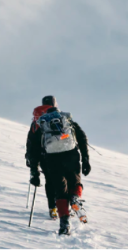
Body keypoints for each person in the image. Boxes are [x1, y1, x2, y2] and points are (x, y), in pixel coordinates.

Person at [26, 95, 90, 236]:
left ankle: (64, 223)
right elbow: (82, 137)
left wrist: (34, 172)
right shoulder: (66, 120)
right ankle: (74, 197)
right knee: (75, 181)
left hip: (51, 159)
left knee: (60, 191)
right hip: (71, 155)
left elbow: (33, 150)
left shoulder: (40, 123)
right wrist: (85, 159)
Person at [25, 101, 58, 220]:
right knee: (62, 179)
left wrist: (33, 167)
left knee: (50, 180)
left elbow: (31, 143)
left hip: (43, 156)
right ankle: (65, 205)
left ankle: (52, 207)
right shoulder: (58, 117)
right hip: (59, 154)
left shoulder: (36, 121)